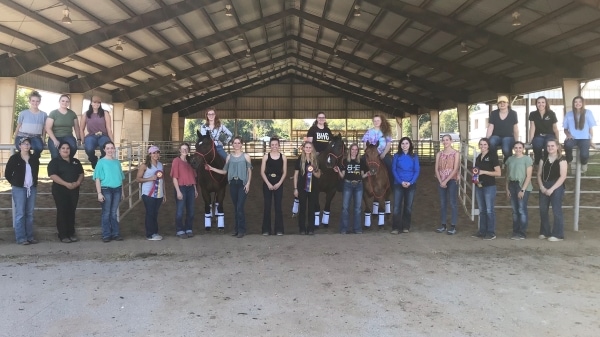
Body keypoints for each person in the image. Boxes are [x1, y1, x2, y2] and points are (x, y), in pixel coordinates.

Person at [206, 136, 252, 238]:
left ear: (241, 144)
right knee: (236, 208)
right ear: (232, 145)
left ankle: (242, 229)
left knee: (240, 207)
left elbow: (249, 170)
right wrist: (212, 168)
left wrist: (248, 183)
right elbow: (224, 171)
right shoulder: (229, 157)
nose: (236, 145)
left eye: (238, 143)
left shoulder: (246, 156)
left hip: (242, 184)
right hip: (233, 184)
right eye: (234, 143)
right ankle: (236, 229)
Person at [5, 138, 40, 245]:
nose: (26, 146)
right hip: (19, 188)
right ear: (19, 146)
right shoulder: (14, 158)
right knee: (20, 213)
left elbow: (36, 173)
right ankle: (21, 237)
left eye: (28, 144)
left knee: (29, 213)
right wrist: (16, 183)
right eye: (24, 144)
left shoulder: (34, 159)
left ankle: (29, 236)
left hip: (31, 188)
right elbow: (8, 173)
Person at [48, 141, 84, 243]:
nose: (65, 150)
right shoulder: (54, 162)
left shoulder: (76, 161)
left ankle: (71, 233)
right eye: (63, 148)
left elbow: (81, 174)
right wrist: (66, 184)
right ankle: (63, 235)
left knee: (71, 211)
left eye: (67, 148)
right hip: (60, 190)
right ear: (59, 150)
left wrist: (77, 183)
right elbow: (53, 175)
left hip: (74, 190)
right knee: (62, 211)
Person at [361, 114, 393, 216]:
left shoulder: (385, 132)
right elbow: (364, 143)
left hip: (382, 154)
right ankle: (359, 181)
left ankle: (391, 184)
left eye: (378, 120)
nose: (376, 122)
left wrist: (383, 154)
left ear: (381, 121)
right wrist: (366, 152)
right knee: (361, 162)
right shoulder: (369, 132)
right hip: (371, 155)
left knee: (390, 165)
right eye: (374, 120)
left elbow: (388, 144)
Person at [93, 141, 125, 242]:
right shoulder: (101, 162)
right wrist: (99, 193)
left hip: (117, 189)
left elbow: (120, 178)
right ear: (104, 150)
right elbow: (97, 178)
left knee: (113, 213)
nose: (110, 150)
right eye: (108, 148)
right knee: (106, 213)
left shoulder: (117, 162)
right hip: (106, 189)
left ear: (114, 149)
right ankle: (106, 234)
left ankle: (115, 233)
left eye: (112, 148)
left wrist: (122, 191)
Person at [471, 138, 501, 240]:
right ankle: (482, 231)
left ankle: (491, 232)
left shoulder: (492, 156)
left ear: (488, 145)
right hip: (479, 186)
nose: (483, 146)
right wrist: (475, 179)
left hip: (489, 186)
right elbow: (476, 171)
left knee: (489, 210)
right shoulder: (479, 157)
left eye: (485, 144)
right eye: (481, 144)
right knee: (482, 210)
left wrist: (484, 172)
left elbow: (498, 173)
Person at [537, 139, 568, 242]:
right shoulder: (543, 159)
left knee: (556, 209)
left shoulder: (562, 159)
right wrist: (541, 186)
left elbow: (563, 176)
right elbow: (539, 174)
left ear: (557, 147)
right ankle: (545, 231)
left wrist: (552, 189)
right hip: (544, 184)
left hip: (557, 186)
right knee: (543, 209)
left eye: (552, 146)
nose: (550, 148)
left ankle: (558, 234)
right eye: (548, 146)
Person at [334, 143, 367, 234]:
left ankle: (357, 228)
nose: (354, 151)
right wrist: (338, 171)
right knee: (345, 207)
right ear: (350, 150)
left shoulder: (361, 161)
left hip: (359, 185)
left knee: (358, 208)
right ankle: (344, 228)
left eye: (356, 150)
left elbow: (362, 175)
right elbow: (342, 176)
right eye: (353, 149)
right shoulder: (345, 161)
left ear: (358, 151)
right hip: (347, 184)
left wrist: (368, 174)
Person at [136, 145, 166, 241]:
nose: (156, 154)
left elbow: (162, 179)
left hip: (159, 193)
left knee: (155, 213)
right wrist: (150, 178)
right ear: (149, 154)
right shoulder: (144, 166)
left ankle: (155, 232)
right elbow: (138, 179)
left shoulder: (160, 165)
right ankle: (150, 234)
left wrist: (164, 193)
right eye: (154, 153)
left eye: (157, 152)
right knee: (150, 213)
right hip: (148, 193)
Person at [391, 137, 420, 234]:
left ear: (410, 145)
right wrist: (400, 181)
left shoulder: (414, 156)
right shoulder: (396, 156)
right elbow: (394, 170)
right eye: (402, 143)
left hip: (410, 184)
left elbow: (417, 170)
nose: (404, 145)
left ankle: (406, 226)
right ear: (400, 145)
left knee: (408, 206)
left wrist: (411, 182)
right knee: (396, 206)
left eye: (406, 143)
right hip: (398, 184)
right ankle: (395, 227)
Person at [505, 141, 533, 240]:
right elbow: (507, 175)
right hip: (512, 184)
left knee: (521, 209)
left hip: (522, 185)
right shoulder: (510, 159)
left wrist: (523, 190)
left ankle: (522, 232)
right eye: (516, 147)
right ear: (513, 148)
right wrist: (507, 188)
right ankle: (515, 231)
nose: (518, 149)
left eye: (520, 147)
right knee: (515, 210)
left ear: (523, 149)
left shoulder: (527, 159)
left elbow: (528, 176)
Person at [293, 142, 322, 235]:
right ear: (304, 149)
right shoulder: (299, 160)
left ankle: (311, 228)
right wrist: (295, 188)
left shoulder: (316, 160)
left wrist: (313, 172)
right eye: (306, 147)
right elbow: (296, 175)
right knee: (302, 208)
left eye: (310, 147)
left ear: (312, 149)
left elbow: (318, 175)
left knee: (311, 207)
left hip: (313, 187)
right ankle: (302, 228)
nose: (308, 149)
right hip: (302, 187)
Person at [170, 142, 198, 239]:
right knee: (180, 210)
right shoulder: (176, 161)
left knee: (191, 210)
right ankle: (179, 230)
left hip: (190, 187)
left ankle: (188, 228)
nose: (184, 150)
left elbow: (193, 176)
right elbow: (174, 177)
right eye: (183, 149)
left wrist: (195, 189)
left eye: (186, 149)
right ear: (179, 150)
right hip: (181, 187)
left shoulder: (190, 161)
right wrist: (178, 191)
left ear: (188, 150)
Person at [260, 137, 287, 236]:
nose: (274, 146)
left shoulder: (283, 157)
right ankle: (266, 229)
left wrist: (279, 183)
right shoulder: (266, 157)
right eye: (272, 145)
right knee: (267, 206)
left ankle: (279, 229)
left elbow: (284, 172)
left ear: (279, 145)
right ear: (270, 146)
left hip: (279, 182)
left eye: (276, 144)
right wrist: (268, 183)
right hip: (267, 181)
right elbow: (262, 172)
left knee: (278, 206)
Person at [435, 134, 460, 235]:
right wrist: (441, 180)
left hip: (452, 179)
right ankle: (443, 224)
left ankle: (453, 225)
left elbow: (455, 169)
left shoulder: (456, 153)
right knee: (442, 203)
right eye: (443, 140)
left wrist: (445, 181)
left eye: (447, 140)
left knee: (453, 202)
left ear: (451, 141)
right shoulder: (439, 154)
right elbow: (436, 169)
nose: (445, 142)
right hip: (441, 179)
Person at [563, 96, 596, 173]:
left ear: (583, 103)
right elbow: (565, 129)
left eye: (580, 102)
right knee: (567, 145)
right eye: (575, 102)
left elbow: (590, 128)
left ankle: (584, 163)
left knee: (584, 155)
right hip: (573, 138)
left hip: (584, 138)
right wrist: (568, 135)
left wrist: (591, 141)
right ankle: (569, 159)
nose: (577, 103)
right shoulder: (569, 114)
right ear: (573, 103)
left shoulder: (588, 113)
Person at [80, 96, 113, 169]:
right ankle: (93, 160)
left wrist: (112, 141)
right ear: (91, 103)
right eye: (94, 102)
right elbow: (81, 128)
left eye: (98, 102)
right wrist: (83, 141)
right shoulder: (86, 114)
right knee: (88, 148)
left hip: (103, 135)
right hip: (91, 135)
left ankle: (101, 161)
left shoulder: (105, 113)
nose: (96, 104)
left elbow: (108, 128)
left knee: (105, 146)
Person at [45, 94, 82, 159]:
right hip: (55, 136)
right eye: (63, 101)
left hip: (68, 136)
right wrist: (54, 140)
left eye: (67, 101)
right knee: (55, 154)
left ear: (69, 103)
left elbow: (76, 127)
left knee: (73, 147)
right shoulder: (53, 113)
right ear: (59, 102)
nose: (65, 103)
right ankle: (55, 166)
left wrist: (79, 139)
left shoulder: (72, 114)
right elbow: (48, 128)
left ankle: (67, 164)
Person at [13, 91, 47, 157]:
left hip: (36, 136)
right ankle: (23, 162)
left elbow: (44, 129)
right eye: (33, 101)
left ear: (40, 102)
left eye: (37, 101)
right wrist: (15, 138)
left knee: (39, 147)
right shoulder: (23, 113)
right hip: (22, 136)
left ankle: (33, 162)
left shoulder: (43, 115)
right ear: (30, 101)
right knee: (21, 148)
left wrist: (43, 139)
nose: (35, 103)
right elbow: (18, 126)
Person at [528, 96, 559, 165]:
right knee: (536, 144)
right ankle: (537, 163)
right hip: (538, 135)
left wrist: (557, 140)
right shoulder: (533, 114)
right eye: (538, 102)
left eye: (543, 102)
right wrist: (530, 140)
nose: (540, 104)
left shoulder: (551, 113)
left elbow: (555, 128)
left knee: (547, 146)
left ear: (546, 104)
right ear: (536, 104)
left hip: (550, 135)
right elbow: (532, 127)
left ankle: (546, 164)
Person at [486, 95, 518, 163]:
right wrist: (487, 140)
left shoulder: (513, 113)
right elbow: (490, 127)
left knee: (506, 149)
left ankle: (508, 161)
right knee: (491, 142)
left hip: (508, 137)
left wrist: (517, 141)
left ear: (507, 104)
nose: (502, 104)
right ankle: (494, 161)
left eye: (504, 102)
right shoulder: (494, 113)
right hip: (496, 136)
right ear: (498, 104)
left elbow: (515, 128)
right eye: (500, 102)